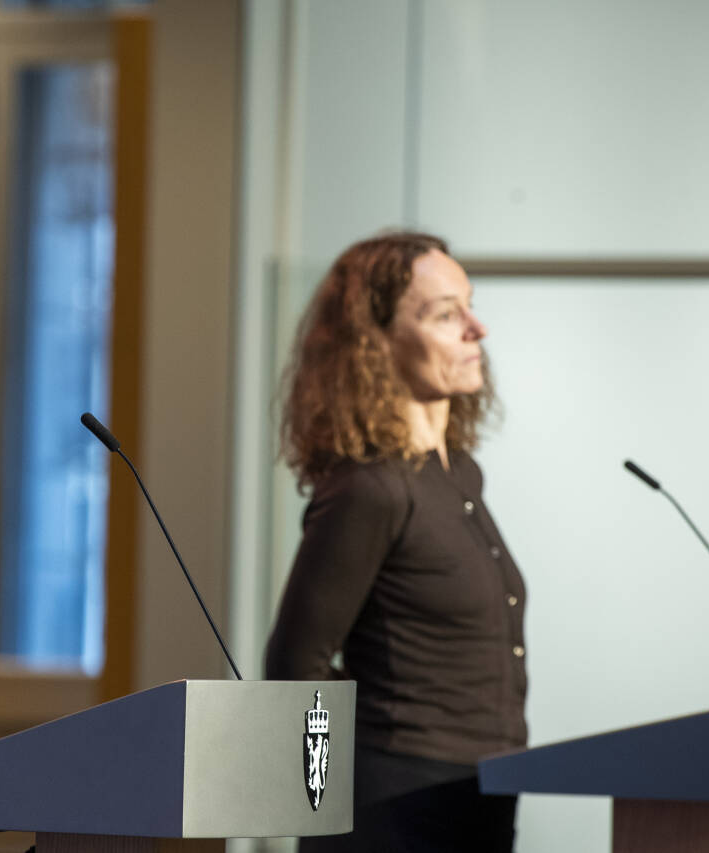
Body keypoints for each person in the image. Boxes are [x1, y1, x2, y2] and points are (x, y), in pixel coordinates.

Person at [264, 232, 525, 852]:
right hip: (396, 808)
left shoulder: (456, 474)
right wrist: (321, 809)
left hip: (481, 792)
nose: (476, 329)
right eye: (445, 314)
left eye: (470, 305)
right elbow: (294, 670)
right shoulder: (370, 489)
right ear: (375, 345)